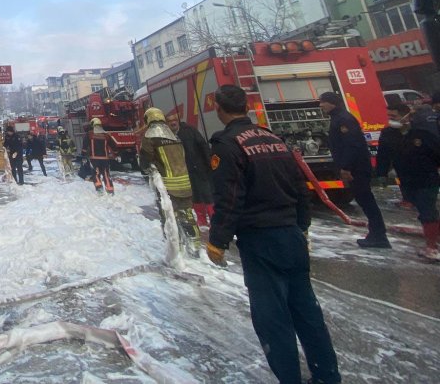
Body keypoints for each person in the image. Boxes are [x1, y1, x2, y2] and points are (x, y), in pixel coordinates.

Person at [207, 84, 341, 384]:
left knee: (272, 318)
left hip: (260, 240)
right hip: (291, 235)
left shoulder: (226, 144)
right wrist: (302, 227)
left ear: (219, 108)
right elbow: (300, 188)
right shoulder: (273, 138)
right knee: (307, 311)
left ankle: (289, 378)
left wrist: (217, 240)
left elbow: (230, 197)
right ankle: (328, 376)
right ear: (246, 106)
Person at [319, 91, 390, 248]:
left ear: (332, 103)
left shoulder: (343, 119)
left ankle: (378, 236)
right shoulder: (340, 118)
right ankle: (376, 234)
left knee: (366, 201)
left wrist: (346, 167)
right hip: (356, 167)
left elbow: (352, 145)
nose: (321, 105)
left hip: (357, 168)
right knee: (365, 200)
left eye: (323, 102)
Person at [139, 107, 199, 251]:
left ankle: (175, 248)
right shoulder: (174, 135)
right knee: (188, 214)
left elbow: (145, 161)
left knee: (169, 216)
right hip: (185, 184)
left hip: (167, 186)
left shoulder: (150, 137)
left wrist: (147, 170)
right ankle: (195, 247)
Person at [395, 106, 440, 261]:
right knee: (424, 211)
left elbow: (436, 154)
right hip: (410, 181)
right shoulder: (399, 136)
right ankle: (432, 242)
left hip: (426, 179)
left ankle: (432, 247)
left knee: (428, 212)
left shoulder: (424, 136)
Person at [167, 111, 214, 226]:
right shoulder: (167, 136)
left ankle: (214, 220)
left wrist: (209, 164)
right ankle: (201, 220)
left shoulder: (189, 130)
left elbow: (203, 145)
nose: (173, 123)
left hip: (199, 168)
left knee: (207, 194)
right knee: (195, 196)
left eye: (175, 120)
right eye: (170, 121)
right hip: (184, 172)